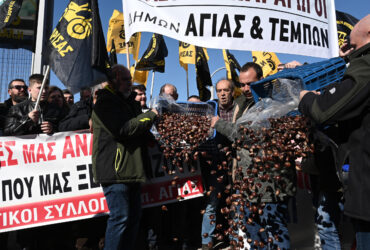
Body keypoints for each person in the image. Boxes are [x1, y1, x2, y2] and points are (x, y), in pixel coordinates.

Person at [298, 14, 370, 250]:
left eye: (351, 45)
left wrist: (307, 98)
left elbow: (325, 111)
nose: (344, 50)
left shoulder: (366, 65)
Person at [92, 65, 158, 250]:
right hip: (116, 171)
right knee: (120, 218)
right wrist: (151, 115)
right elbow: (123, 129)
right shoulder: (106, 102)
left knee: (133, 219)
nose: (131, 83)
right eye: (126, 80)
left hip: (132, 170)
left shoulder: (129, 102)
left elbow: (138, 129)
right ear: (114, 80)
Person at [200, 79, 235, 250]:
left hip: (235, 163)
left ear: (232, 92)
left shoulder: (239, 109)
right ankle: (207, 242)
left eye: (226, 90)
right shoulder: (210, 109)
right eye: (219, 90)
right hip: (215, 163)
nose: (222, 94)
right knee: (212, 203)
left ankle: (236, 237)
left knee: (236, 201)